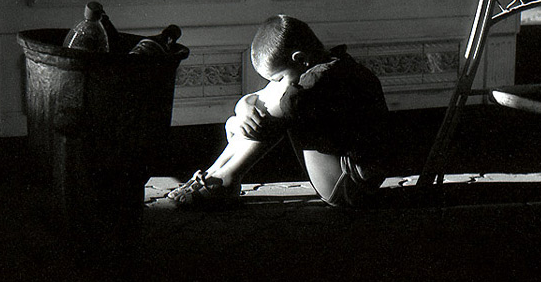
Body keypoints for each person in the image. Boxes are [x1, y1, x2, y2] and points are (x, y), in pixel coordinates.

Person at [167, 14, 390, 208]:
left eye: (279, 76)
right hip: (352, 178)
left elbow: (274, 115)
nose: (277, 83)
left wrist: (235, 123)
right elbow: (262, 98)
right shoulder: (328, 65)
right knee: (280, 94)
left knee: (285, 98)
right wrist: (243, 106)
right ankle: (215, 174)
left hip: (350, 184)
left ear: (300, 58)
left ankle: (226, 178)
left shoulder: (320, 80)